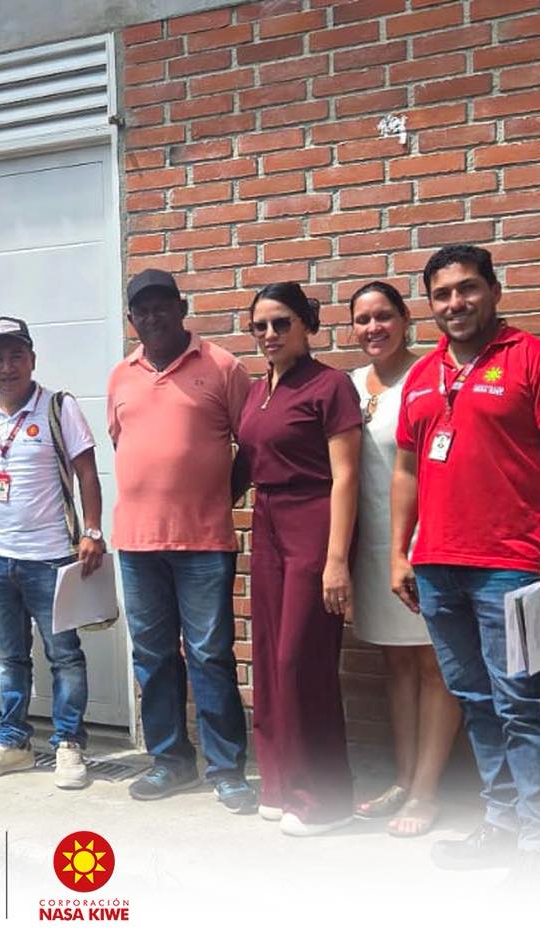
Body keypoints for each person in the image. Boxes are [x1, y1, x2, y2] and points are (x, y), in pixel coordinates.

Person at [391, 245, 540, 878]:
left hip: (511, 566)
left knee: (520, 704)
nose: (456, 303)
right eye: (443, 293)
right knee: (475, 700)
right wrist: (400, 551)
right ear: (431, 304)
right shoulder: (423, 376)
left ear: (494, 291)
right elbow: (405, 469)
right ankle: (502, 825)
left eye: (467, 289)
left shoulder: (536, 360)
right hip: (437, 567)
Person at [107, 268, 253, 811]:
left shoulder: (222, 367)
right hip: (138, 544)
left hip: (203, 543)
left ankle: (227, 769)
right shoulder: (120, 375)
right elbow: (124, 443)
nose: (152, 317)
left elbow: (253, 445)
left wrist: (220, 492)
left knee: (210, 654)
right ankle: (170, 762)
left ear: (181, 307)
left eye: (162, 306)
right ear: (132, 319)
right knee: (152, 657)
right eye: (141, 310)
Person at [232, 282, 362, 836]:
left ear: (307, 324)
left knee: (299, 661)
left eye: (281, 323)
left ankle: (323, 800)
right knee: (267, 658)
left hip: (315, 520)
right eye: (259, 326)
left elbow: (348, 475)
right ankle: (279, 782)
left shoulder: (330, 387)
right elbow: (244, 463)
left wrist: (337, 561)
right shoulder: (258, 391)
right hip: (268, 524)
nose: (269, 335)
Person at [0, 317, 106, 789]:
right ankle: (14, 742)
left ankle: (68, 743)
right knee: (9, 657)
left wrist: (93, 531)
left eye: (16, 355)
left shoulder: (57, 408)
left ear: (32, 359)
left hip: (52, 559)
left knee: (64, 655)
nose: (7, 367)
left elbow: (87, 474)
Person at [346, 281, 462, 837]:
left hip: (423, 543)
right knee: (395, 663)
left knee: (434, 665)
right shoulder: (348, 386)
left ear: (406, 319)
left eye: (384, 316)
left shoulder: (432, 377)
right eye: (363, 319)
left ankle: (427, 790)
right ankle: (403, 775)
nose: (374, 328)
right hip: (370, 548)